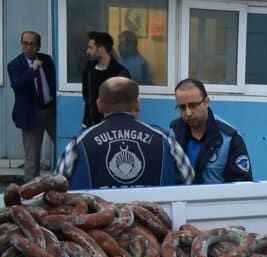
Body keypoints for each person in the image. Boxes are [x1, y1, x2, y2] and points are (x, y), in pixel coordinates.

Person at [56, 77, 194, 189]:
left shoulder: (81, 141)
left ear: (99, 105)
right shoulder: (164, 138)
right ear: (137, 103)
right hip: (155, 213)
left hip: (98, 214)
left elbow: (58, 183)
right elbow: (188, 177)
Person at [170, 78, 253, 184]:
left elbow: (242, 185)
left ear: (206, 102)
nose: (188, 113)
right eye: (182, 107)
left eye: (193, 105)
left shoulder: (229, 138)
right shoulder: (173, 132)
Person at [7, 31, 57, 182]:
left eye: (32, 44)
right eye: (25, 43)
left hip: (51, 110)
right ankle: (30, 189)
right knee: (32, 158)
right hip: (31, 114)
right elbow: (17, 86)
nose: (28, 47)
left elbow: (54, 82)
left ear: (38, 46)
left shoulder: (46, 60)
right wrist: (32, 69)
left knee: (65, 146)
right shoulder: (15, 64)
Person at [82, 31, 130, 128]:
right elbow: (86, 95)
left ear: (101, 49)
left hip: (112, 127)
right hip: (89, 125)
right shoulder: (89, 69)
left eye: (91, 48)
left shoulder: (120, 73)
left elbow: (124, 105)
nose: (87, 51)